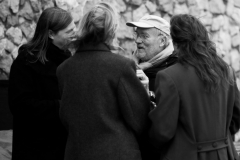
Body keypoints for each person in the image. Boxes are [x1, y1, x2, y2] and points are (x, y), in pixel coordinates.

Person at [56, 2, 152, 160]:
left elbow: (65, 117)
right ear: (111, 30)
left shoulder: (63, 69)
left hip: (77, 153)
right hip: (116, 152)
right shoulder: (121, 66)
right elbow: (140, 120)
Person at [149, 14, 240, 160]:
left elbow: (163, 131)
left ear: (176, 43)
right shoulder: (226, 70)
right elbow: (237, 117)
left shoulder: (168, 76)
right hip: (224, 154)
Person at [8, 7, 76, 160]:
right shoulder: (25, 62)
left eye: (74, 28)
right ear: (51, 34)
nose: (75, 34)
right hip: (35, 148)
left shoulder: (67, 57)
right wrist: (62, 105)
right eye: (68, 31)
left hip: (61, 146)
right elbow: (20, 106)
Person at [126, 15, 177, 91]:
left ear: (162, 41)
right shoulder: (130, 65)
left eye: (145, 36)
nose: (137, 41)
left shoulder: (174, 71)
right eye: (137, 35)